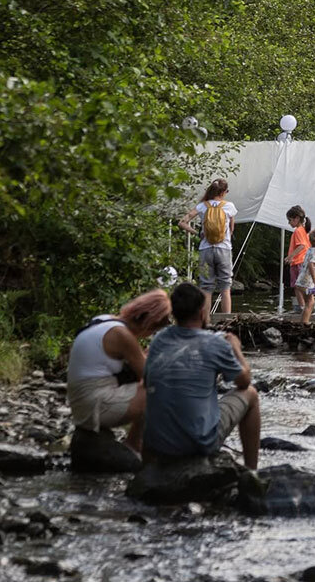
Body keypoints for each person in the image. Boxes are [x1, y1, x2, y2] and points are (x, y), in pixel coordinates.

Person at [142, 282, 260, 469]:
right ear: (201, 312)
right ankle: (252, 472)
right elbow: (244, 381)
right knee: (251, 393)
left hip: (157, 444)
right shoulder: (215, 343)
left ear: (174, 313)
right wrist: (236, 348)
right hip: (199, 442)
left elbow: (147, 382)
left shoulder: (159, 340)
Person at [67, 290, 171, 452]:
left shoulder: (104, 319)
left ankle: (136, 442)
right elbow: (150, 376)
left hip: (81, 402)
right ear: (149, 324)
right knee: (159, 390)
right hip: (93, 406)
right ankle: (134, 443)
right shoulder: (122, 335)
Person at [179, 178, 237, 316]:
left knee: (206, 287)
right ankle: (226, 320)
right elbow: (232, 228)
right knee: (225, 286)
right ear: (223, 192)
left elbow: (182, 222)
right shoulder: (229, 206)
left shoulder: (202, 206)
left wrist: (198, 233)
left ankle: (205, 321)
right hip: (224, 248)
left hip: (205, 249)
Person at [284, 205, 312, 312]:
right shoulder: (302, 230)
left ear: (296, 218)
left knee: (300, 286)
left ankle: (306, 305)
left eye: (290, 220)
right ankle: (302, 306)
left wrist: (290, 257)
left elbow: (302, 246)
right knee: (297, 286)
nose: (289, 223)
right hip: (298, 262)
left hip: (299, 262)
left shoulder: (298, 231)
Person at [295, 228, 315, 325]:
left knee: (308, 302)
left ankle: (303, 321)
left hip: (300, 281)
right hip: (307, 282)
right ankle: (305, 322)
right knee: (310, 303)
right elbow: (311, 264)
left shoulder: (309, 250)